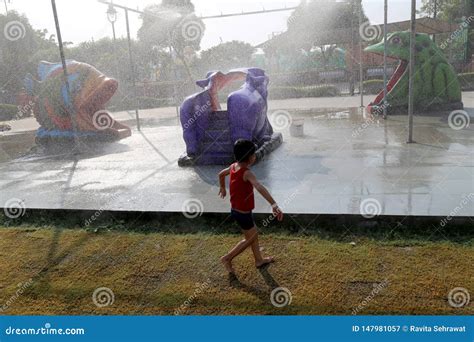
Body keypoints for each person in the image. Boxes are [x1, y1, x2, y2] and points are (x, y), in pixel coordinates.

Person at [218, 139, 283, 274]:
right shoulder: (246, 173)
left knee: (252, 235)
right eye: (253, 154)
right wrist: (274, 204)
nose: (255, 156)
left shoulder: (233, 167)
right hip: (243, 213)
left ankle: (259, 260)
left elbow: (221, 174)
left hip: (236, 210)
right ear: (250, 158)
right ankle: (227, 258)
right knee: (250, 238)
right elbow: (259, 187)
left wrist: (223, 188)